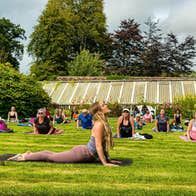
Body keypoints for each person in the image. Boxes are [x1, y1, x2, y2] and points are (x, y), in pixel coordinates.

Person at [8, 102, 121, 166]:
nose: (106, 105)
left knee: (51, 154)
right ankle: (24, 157)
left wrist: (108, 160)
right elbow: (98, 146)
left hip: (85, 152)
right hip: (83, 154)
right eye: (103, 104)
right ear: (100, 111)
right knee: (51, 157)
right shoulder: (99, 124)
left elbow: (103, 145)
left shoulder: (101, 123)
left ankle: (31, 154)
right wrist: (105, 163)